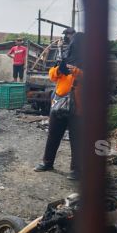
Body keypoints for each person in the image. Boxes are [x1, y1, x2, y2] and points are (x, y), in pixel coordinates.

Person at [34, 32, 84, 181]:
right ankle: (47, 163)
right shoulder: (65, 58)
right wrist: (58, 70)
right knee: (53, 135)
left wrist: (75, 71)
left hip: (78, 107)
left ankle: (76, 170)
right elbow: (52, 75)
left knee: (77, 139)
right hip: (59, 104)